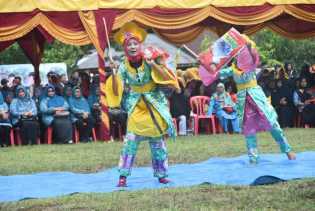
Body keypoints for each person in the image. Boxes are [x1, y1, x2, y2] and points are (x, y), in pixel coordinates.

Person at [200, 35, 296, 163]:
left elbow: (253, 54)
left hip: (256, 96)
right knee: (248, 129)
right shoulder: (232, 69)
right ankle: (253, 158)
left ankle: (287, 150)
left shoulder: (251, 63)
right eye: (239, 52)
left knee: (272, 123)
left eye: (242, 51)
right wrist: (205, 63)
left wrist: (247, 45)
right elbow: (216, 73)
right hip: (243, 99)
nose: (241, 54)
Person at [106, 22, 178, 187]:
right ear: (125, 48)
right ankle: (123, 176)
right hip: (136, 106)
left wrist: (153, 63)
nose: (132, 46)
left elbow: (165, 75)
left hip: (154, 104)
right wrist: (114, 72)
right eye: (128, 44)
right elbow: (117, 89)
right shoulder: (123, 65)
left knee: (158, 142)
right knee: (130, 142)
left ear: (140, 45)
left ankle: (162, 175)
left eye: (134, 43)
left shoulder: (151, 57)